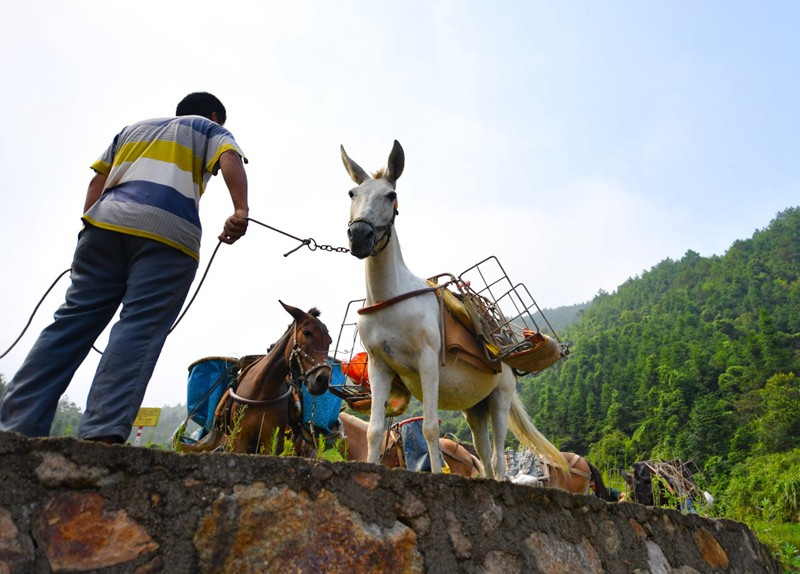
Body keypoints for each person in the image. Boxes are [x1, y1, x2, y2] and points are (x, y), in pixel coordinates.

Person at [0, 92, 249, 444]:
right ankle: (101, 433)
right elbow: (229, 159)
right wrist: (240, 210)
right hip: (167, 233)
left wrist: (89, 232)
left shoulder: (132, 129)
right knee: (138, 328)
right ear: (213, 115)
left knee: (71, 322)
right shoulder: (207, 127)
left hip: (102, 227)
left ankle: (17, 426)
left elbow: (96, 184)